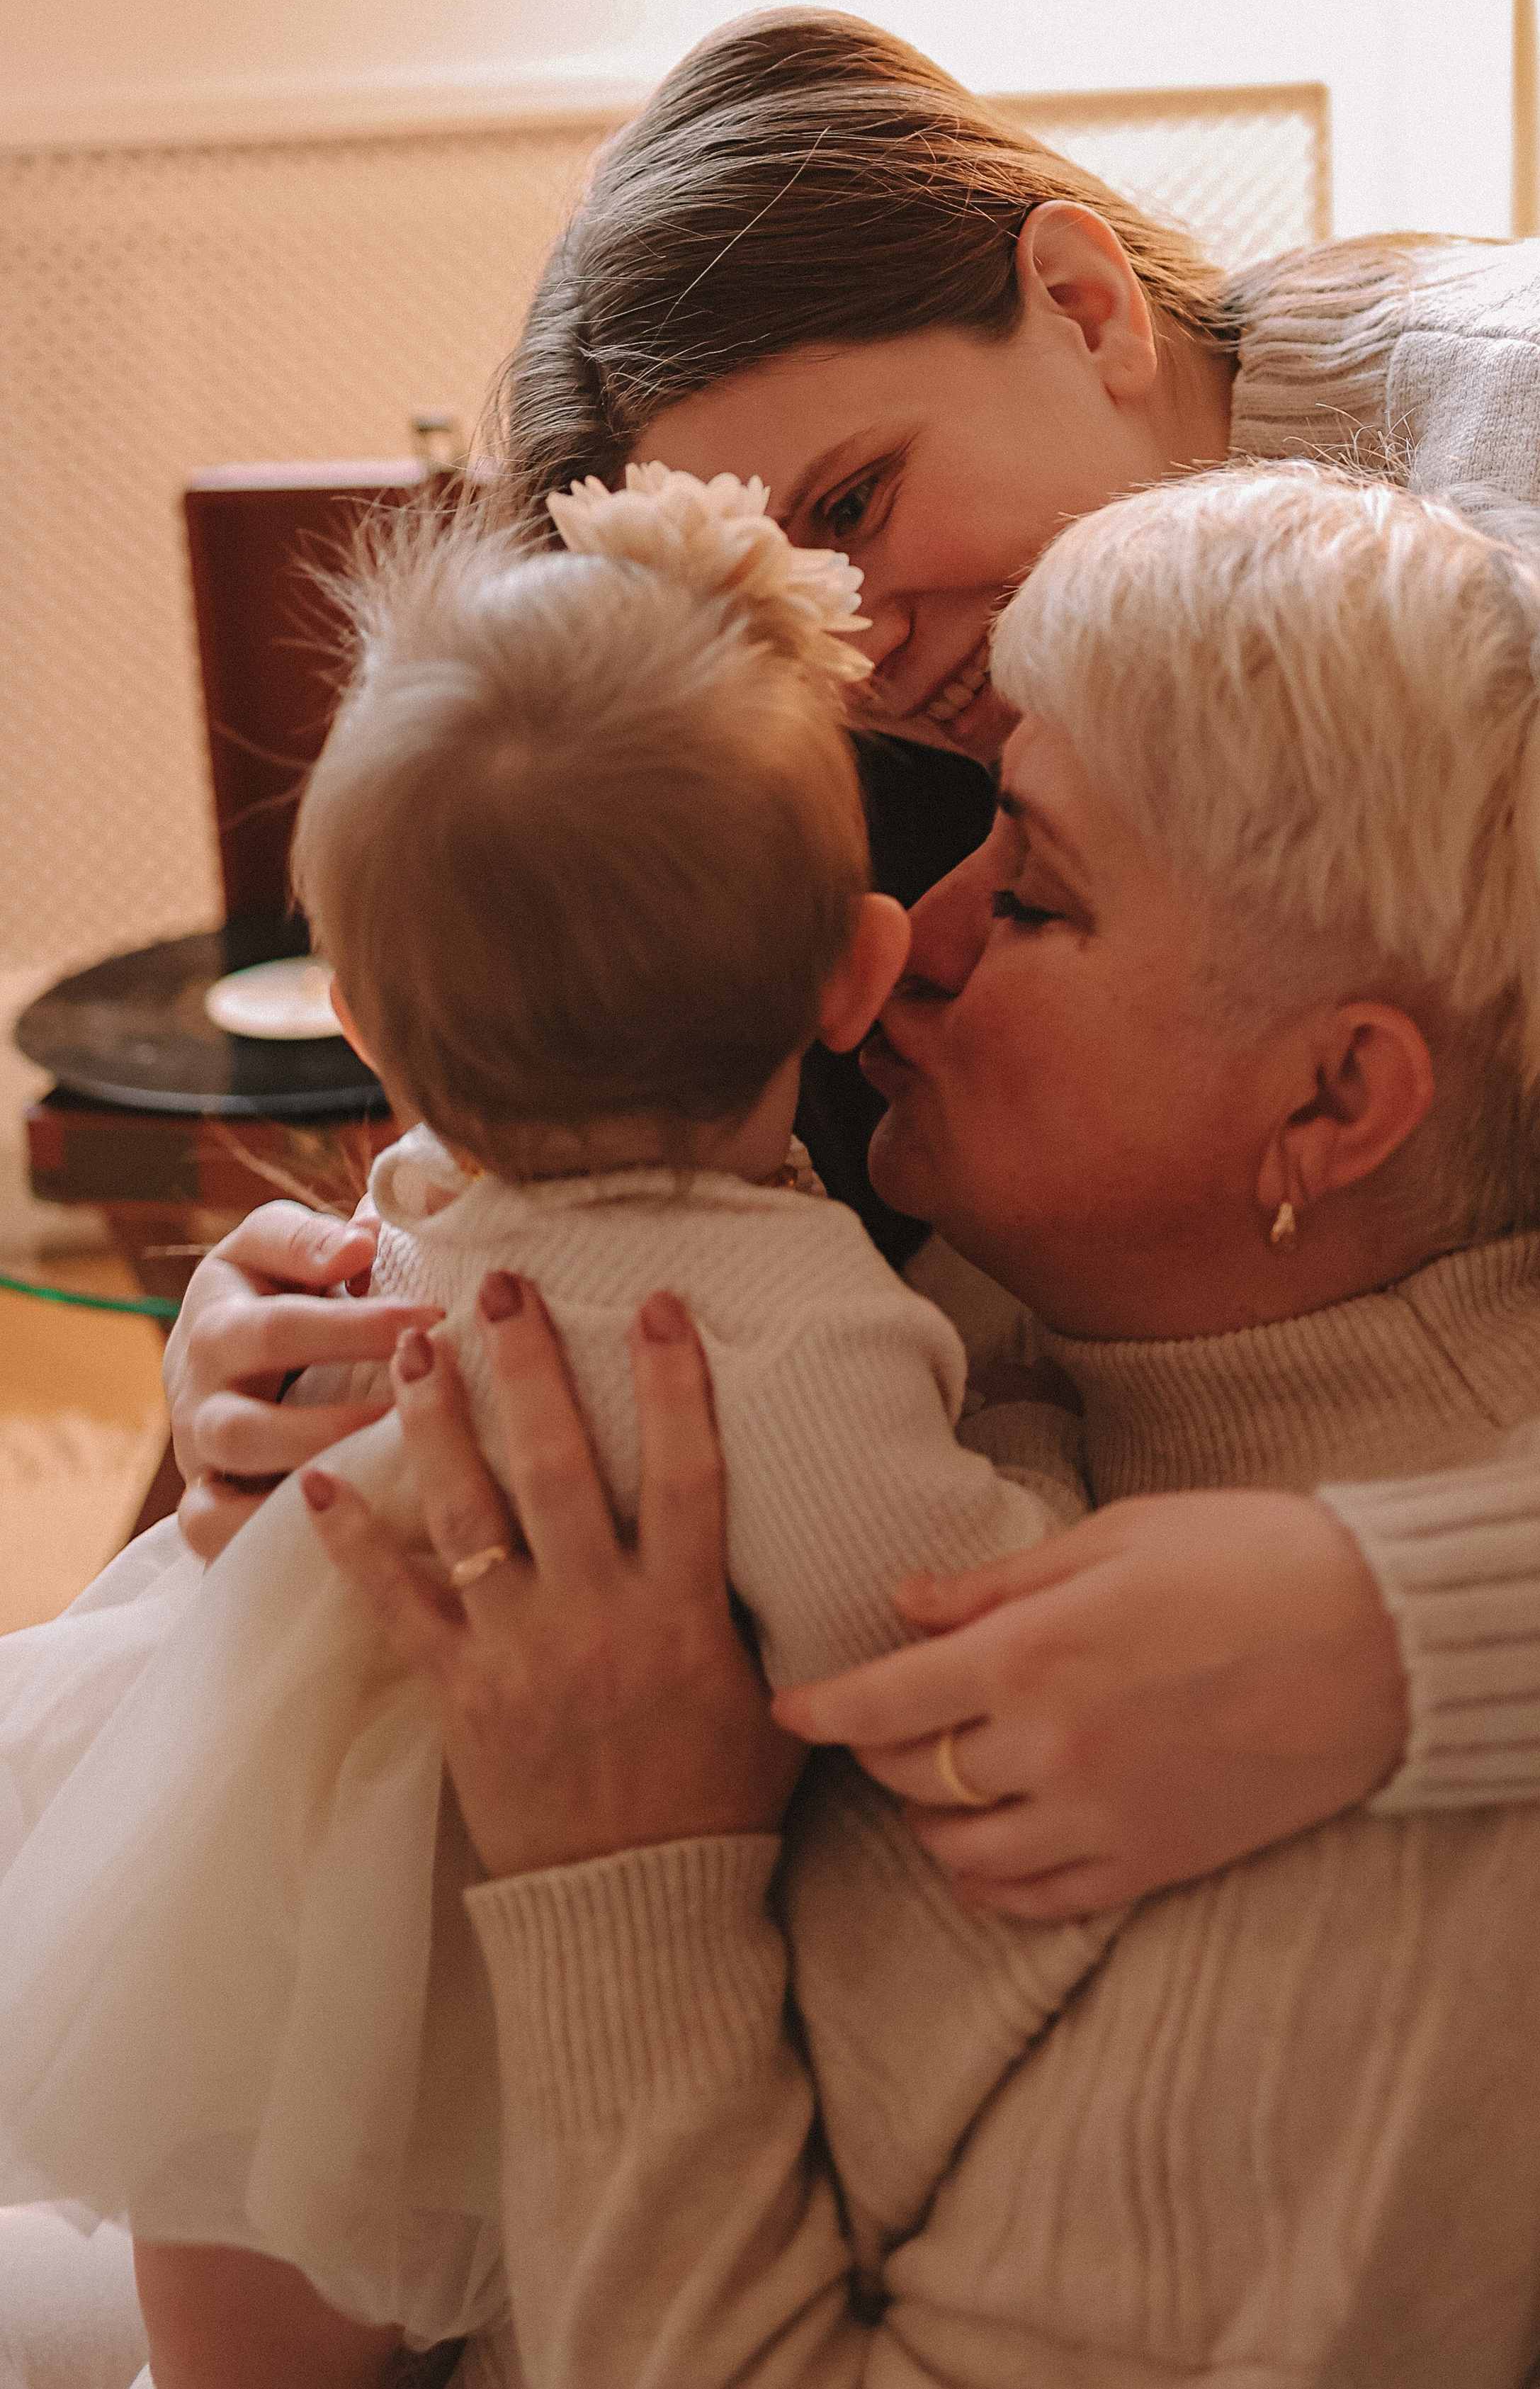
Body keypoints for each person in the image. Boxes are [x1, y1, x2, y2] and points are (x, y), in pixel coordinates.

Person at [166, 8, 1540, 1933]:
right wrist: (336, 1369)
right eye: (779, 602)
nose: (854, 650)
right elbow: (741, 1285)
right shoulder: (894, 740)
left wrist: (1389, 1622)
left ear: (1083, 299)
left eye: (855, 504)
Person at [307, 468, 1540, 2387]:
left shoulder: (1392, 1847)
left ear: (1336, 1099)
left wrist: (625, 1874)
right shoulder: (1157, 1300)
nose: (906, 938)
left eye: (1028, 889)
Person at [0, 468, 1084, 2387]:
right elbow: (918, 1617)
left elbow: (283, 1474)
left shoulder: (410, 1207)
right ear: (859, 968)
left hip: (240, 1862)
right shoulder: (795, 1328)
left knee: (230, 2243)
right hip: (497, 1953)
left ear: (368, 1031)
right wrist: (1042, 1450)